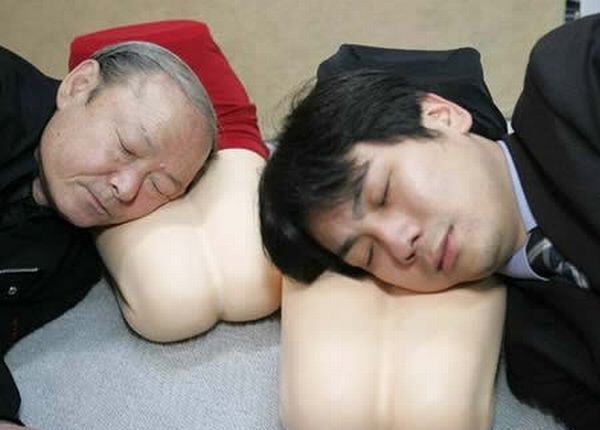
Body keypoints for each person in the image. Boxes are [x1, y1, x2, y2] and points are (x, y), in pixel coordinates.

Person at [260, 14, 600, 430]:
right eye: (368, 254)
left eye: (383, 192)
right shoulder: (537, 358)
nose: (398, 243)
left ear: (441, 115)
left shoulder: (575, 76)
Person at [0, 38, 216, 428]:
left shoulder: (78, 260)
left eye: (159, 186)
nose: (127, 188)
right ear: (78, 86)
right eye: (127, 147)